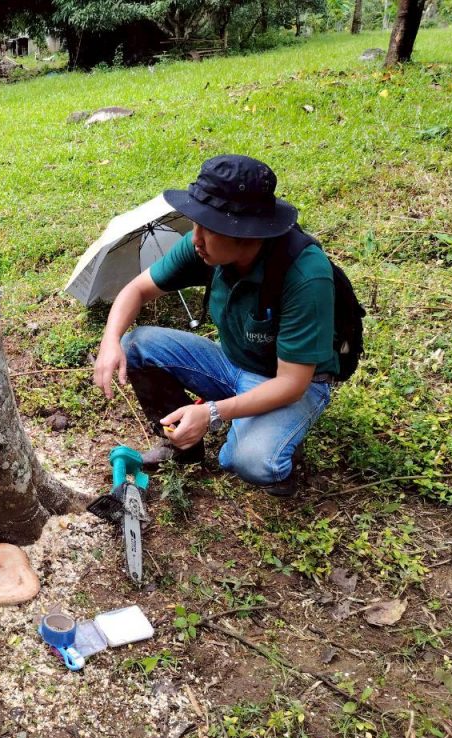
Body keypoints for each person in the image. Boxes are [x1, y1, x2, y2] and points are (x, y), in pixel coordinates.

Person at [93, 155, 337, 497]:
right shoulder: (203, 248)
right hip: (233, 362)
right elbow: (137, 289)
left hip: (292, 381)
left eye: (209, 228)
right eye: (197, 224)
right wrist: (110, 339)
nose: (196, 238)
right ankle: (181, 444)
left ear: (247, 233)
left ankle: (281, 449)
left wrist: (212, 413)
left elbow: (292, 383)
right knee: (135, 345)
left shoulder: (304, 274)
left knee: (249, 461)